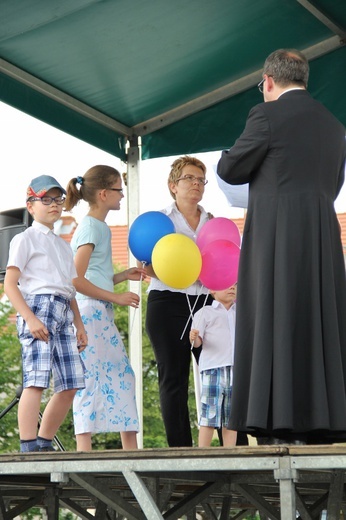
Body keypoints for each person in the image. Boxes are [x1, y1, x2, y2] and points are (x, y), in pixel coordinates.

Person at [217, 48, 346, 445]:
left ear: (268, 82)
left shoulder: (266, 115)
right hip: (323, 233)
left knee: (274, 316)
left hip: (278, 233)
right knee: (317, 318)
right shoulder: (334, 125)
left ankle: (277, 419)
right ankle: (323, 417)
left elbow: (230, 168)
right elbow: (335, 183)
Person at [4, 175, 87, 453]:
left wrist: (80, 324)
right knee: (36, 379)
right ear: (31, 206)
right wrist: (29, 317)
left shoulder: (64, 245)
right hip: (38, 307)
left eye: (58, 199)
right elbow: (9, 283)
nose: (54, 204)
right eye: (46, 199)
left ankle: (44, 441)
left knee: (72, 382)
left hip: (64, 309)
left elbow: (70, 289)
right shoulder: (24, 238)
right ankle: (28, 444)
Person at [65, 165, 145, 451]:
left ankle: (129, 452)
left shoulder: (97, 227)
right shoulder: (90, 227)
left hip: (97, 311)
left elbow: (93, 276)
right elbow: (74, 279)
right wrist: (117, 297)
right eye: (118, 189)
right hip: (91, 313)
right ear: (103, 193)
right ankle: (88, 452)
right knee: (98, 379)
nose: (122, 196)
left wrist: (122, 278)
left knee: (119, 377)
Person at [144, 155, 214, 447]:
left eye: (200, 179)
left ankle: (231, 446)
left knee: (218, 373)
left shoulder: (213, 222)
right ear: (173, 185)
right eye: (189, 178)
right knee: (174, 378)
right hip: (167, 302)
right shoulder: (160, 221)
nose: (196, 184)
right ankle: (182, 453)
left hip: (208, 302)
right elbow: (146, 266)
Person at [189, 284, 238, 447]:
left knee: (232, 419)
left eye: (235, 285)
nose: (232, 288)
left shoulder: (241, 312)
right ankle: (202, 454)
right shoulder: (204, 313)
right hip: (213, 369)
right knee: (209, 415)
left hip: (235, 369)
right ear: (212, 290)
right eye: (227, 285)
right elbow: (197, 344)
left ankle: (230, 456)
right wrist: (193, 337)